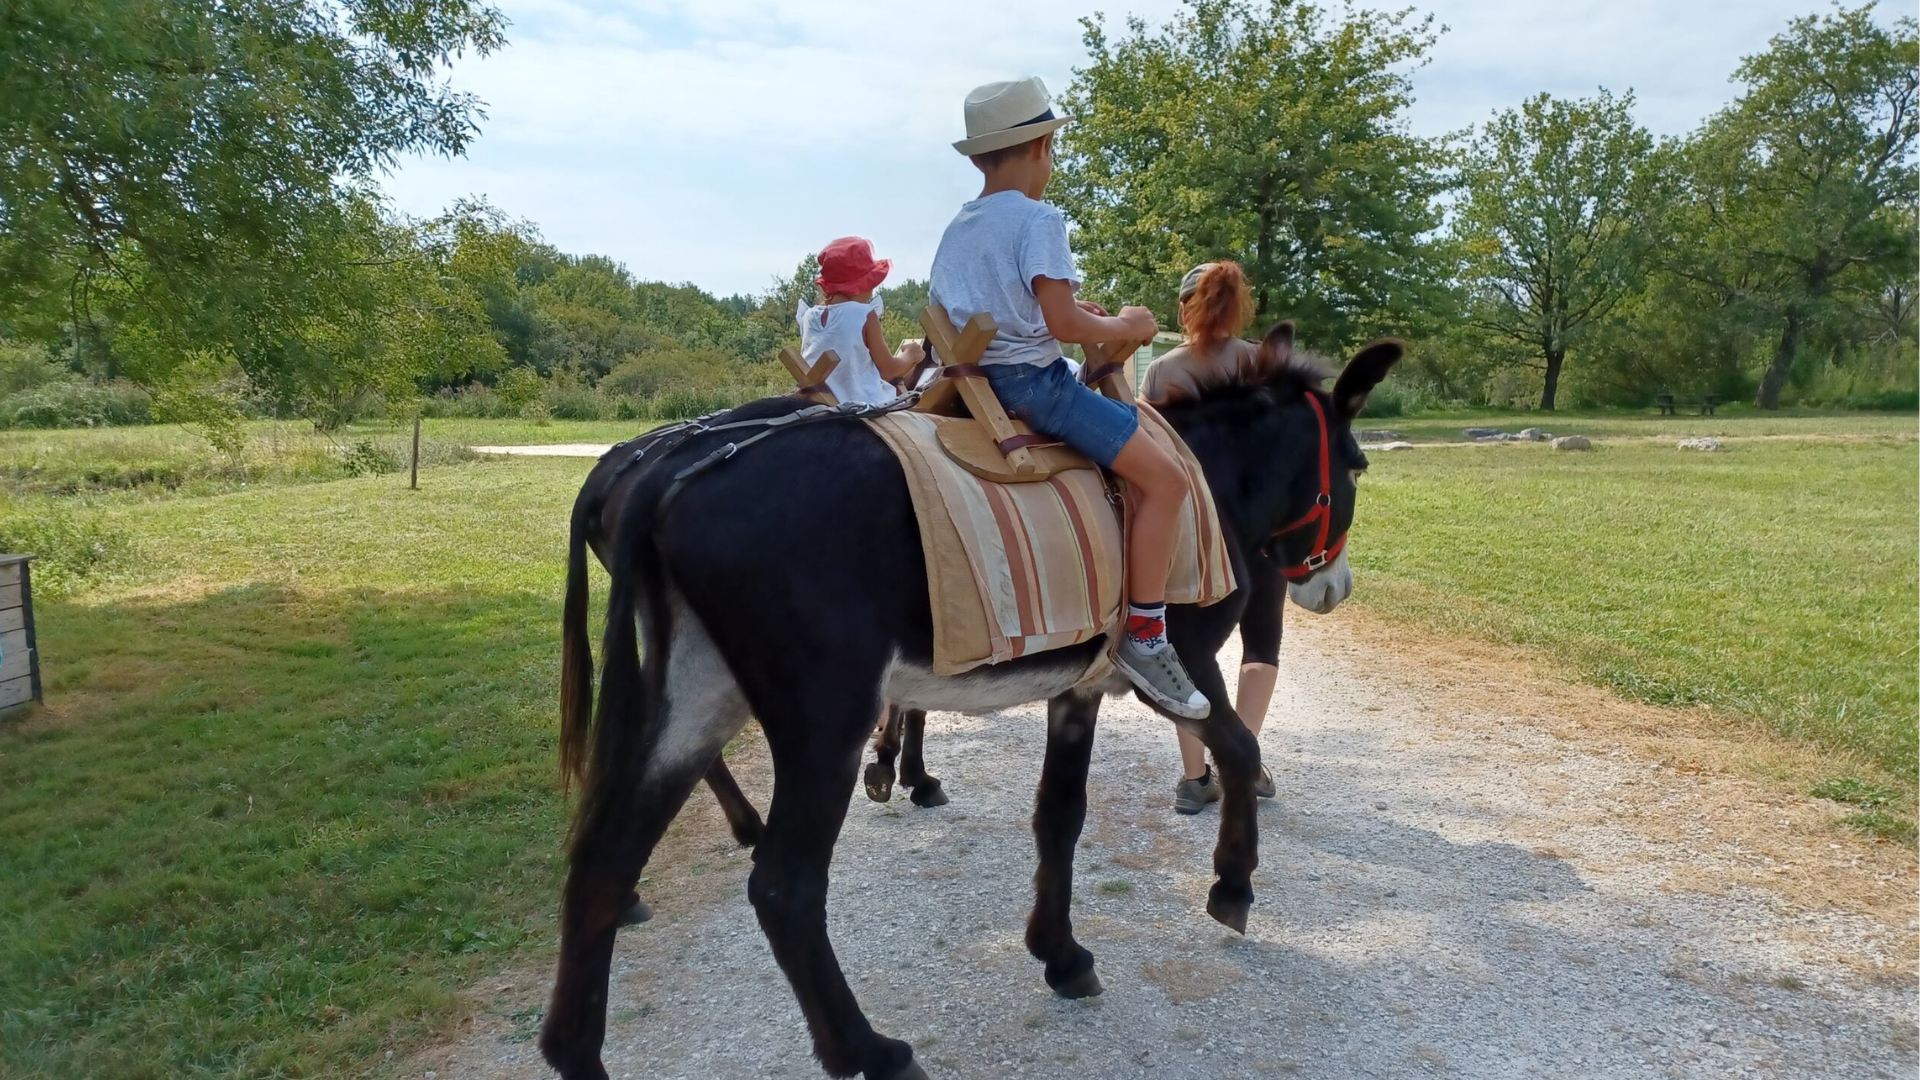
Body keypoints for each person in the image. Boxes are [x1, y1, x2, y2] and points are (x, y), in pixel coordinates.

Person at [929, 77, 1209, 720]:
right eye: (1051, 149)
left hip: (967, 384)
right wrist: (1128, 325)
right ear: (1041, 147)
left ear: (978, 159)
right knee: (1167, 480)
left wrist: (1074, 312)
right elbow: (1061, 324)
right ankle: (1145, 637)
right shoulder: (1039, 219)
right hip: (1035, 386)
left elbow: (992, 309)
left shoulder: (957, 228)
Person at [1141, 260, 1281, 812]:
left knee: (1189, 650)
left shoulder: (1162, 371)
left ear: (1185, 309)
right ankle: (1243, 759)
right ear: (1236, 307)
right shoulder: (1260, 362)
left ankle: (1196, 776)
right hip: (1259, 527)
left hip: (1194, 533)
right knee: (1261, 643)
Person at [796, 236, 925, 405]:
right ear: (862, 285)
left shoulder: (809, 316)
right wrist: (911, 354)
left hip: (818, 403)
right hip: (861, 404)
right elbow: (888, 370)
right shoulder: (864, 315)